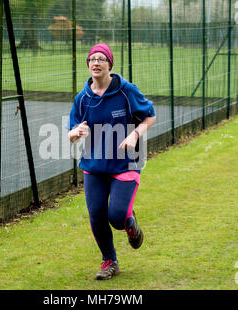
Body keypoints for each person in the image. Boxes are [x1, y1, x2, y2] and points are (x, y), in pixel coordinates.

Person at [67, 43, 156, 280]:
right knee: (96, 214)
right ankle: (110, 261)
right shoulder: (83, 98)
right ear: (88, 65)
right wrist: (75, 133)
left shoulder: (126, 91)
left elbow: (150, 115)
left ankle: (129, 222)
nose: (96, 63)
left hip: (126, 162)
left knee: (116, 217)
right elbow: (71, 131)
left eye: (101, 59)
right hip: (94, 165)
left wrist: (134, 134)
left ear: (109, 65)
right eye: (92, 59)